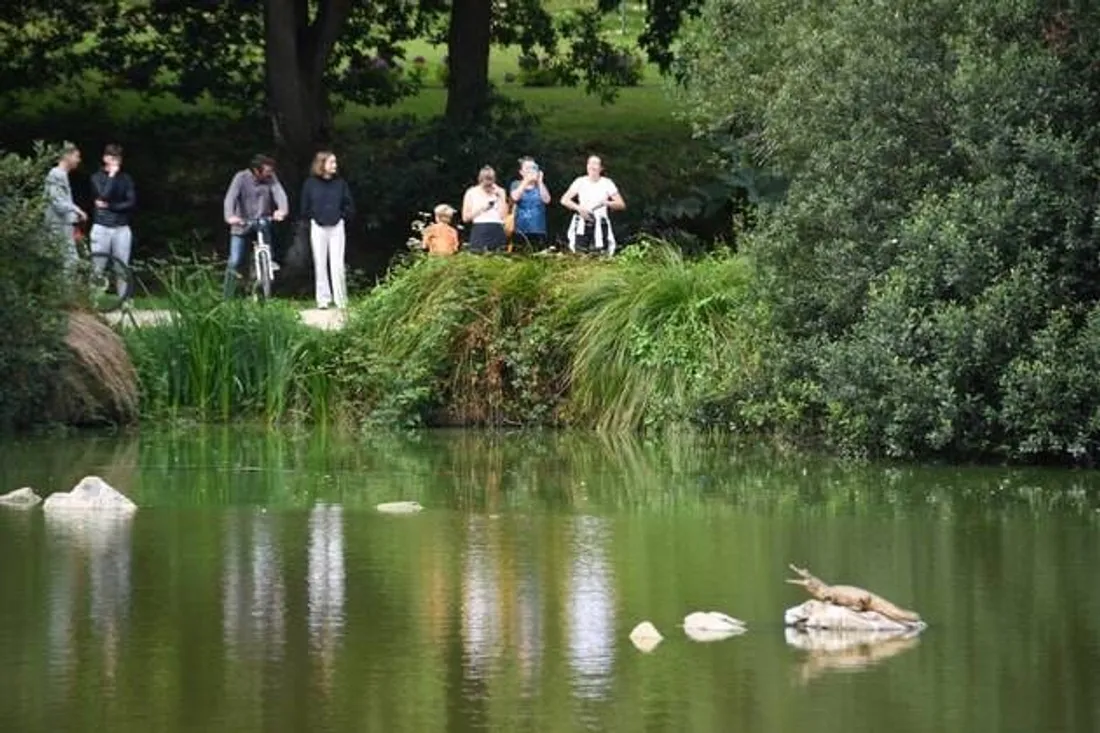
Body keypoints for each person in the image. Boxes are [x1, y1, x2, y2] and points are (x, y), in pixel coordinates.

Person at [222, 154, 288, 298]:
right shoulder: (241, 178)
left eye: (271, 171)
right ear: (256, 171)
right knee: (235, 260)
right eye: (267, 171)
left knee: (267, 257)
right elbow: (230, 198)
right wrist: (230, 216)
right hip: (242, 223)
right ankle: (227, 297)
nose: (270, 174)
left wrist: (281, 210)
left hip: (262, 222)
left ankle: (264, 290)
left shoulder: (271, 178)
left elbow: (279, 193)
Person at [300, 150, 354, 310]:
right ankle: (323, 299)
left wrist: (341, 216)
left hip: (337, 226)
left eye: (335, 162)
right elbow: (305, 206)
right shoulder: (310, 184)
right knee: (320, 263)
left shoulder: (340, 183)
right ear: (321, 164)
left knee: (337, 263)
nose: (335, 165)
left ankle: (341, 299)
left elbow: (348, 204)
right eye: (331, 162)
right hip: (318, 226)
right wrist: (314, 216)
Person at [89, 143, 136, 296]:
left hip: (121, 226)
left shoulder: (126, 178)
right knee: (97, 265)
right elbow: (103, 195)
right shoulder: (96, 177)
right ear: (105, 158)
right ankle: (93, 300)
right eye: (113, 157)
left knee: (122, 266)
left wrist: (110, 206)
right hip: (101, 225)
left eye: (118, 158)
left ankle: (125, 300)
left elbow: (131, 202)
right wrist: (112, 176)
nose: (116, 161)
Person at [560, 155, 625, 255]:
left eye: (595, 164)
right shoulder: (580, 181)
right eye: (589, 163)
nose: (592, 166)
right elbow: (564, 200)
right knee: (579, 253)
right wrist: (579, 208)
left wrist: (607, 203)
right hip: (582, 223)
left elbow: (621, 204)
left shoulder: (607, 183)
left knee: (600, 254)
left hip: (600, 224)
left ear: (601, 168)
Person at [44, 143, 87, 269]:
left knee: (70, 262)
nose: (78, 160)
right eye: (76, 156)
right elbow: (57, 203)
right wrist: (77, 210)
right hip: (57, 226)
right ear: (67, 156)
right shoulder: (56, 174)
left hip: (64, 225)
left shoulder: (62, 174)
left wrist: (75, 217)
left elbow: (63, 201)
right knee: (68, 262)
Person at [461, 166, 508, 254]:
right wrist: (483, 208)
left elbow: (504, 216)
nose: (488, 186)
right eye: (485, 182)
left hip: (497, 228)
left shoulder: (501, 191)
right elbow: (465, 218)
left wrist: (501, 197)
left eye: (491, 182)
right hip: (479, 229)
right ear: (480, 180)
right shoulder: (471, 192)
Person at [509, 156, 551, 249]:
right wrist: (526, 181)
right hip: (520, 230)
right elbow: (515, 197)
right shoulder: (516, 184)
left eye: (533, 167)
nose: (531, 170)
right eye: (528, 168)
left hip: (538, 230)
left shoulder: (540, 186)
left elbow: (547, 200)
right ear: (521, 172)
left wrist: (540, 182)